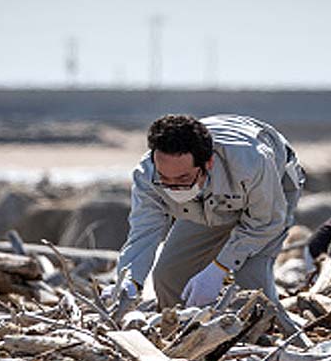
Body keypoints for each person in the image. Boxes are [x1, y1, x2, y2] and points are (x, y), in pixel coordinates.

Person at [110, 113, 304, 308]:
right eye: (165, 179)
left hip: (272, 190)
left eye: (183, 179)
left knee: (251, 281)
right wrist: (129, 280)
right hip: (205, 204)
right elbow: (143, 232)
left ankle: (265, 330)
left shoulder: (253, 163)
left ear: (208, 163)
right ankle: (183, 330)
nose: (172, 188)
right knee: (168, 275)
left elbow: (265, 222)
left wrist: (219, 268)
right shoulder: (147, 174)